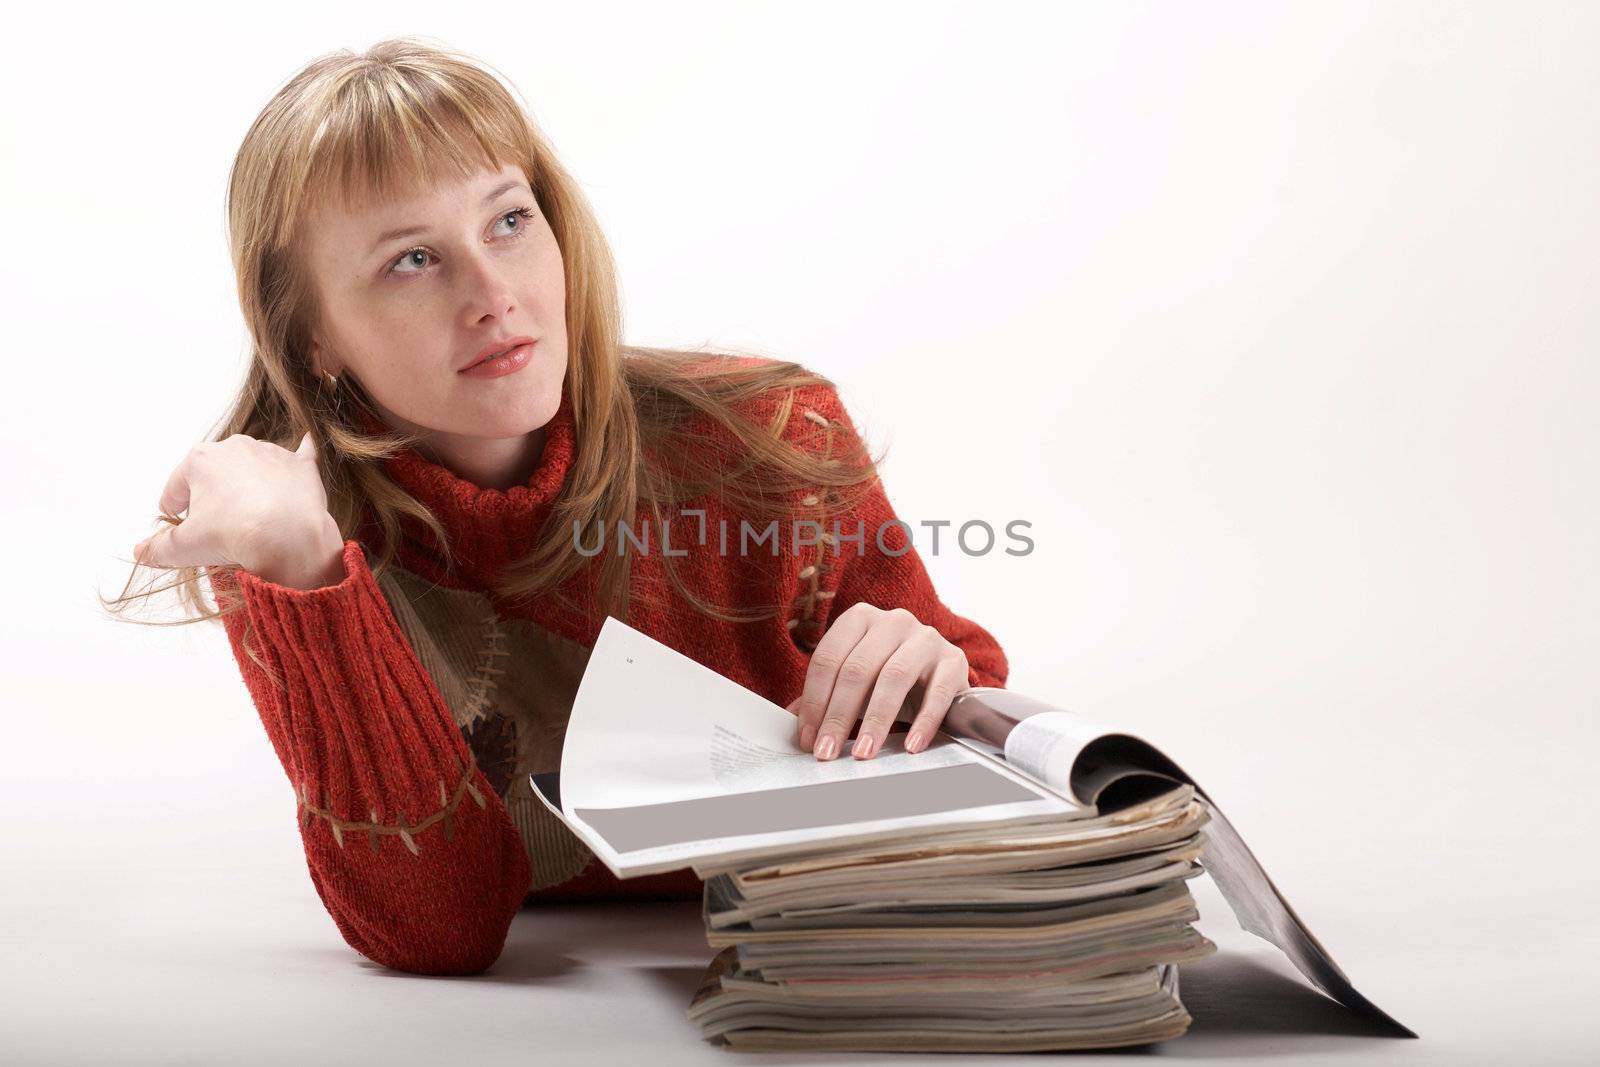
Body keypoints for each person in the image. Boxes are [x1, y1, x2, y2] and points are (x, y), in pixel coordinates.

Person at [102, 37, 1008, 977]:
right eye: (412, 259)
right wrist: (306, 571)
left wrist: (930, 667)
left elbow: (985, 735)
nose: (494, 294)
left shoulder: (774, 433)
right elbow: (436, 927)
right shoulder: (282, 531)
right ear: (312, 337)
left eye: (508, 220)